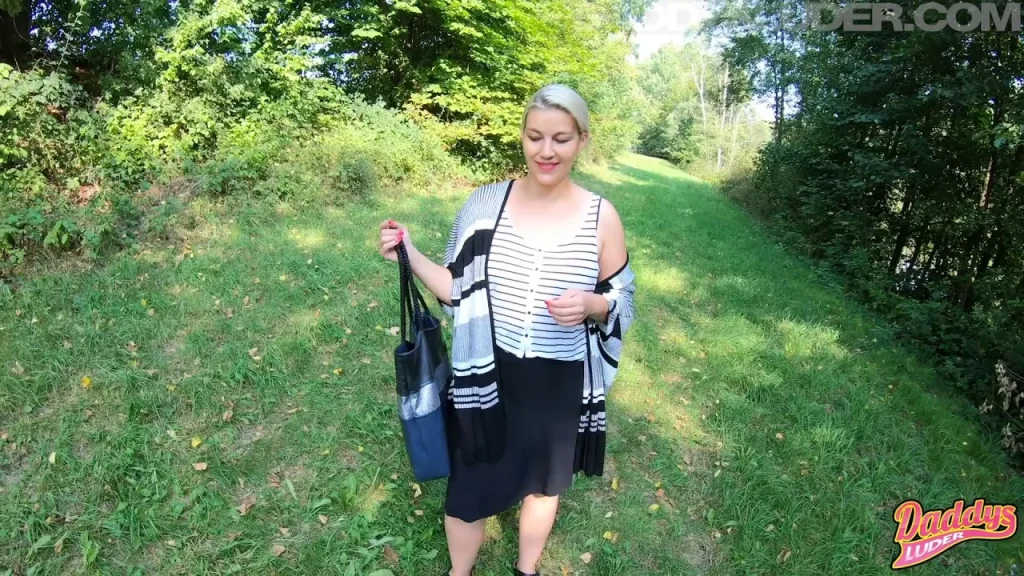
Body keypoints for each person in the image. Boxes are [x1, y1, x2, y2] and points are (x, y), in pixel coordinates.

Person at [377, 84, 636, 576]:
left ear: (582, 140)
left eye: (561, 138)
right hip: (486, 372)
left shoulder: (602, 218)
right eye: (535, 136)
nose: (546, 150)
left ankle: (526, 570)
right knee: (468, 490)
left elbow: (623, 298)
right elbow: (456, 289)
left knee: (542, 487)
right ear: (522, 136)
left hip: (557, 381)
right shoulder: (484, 204)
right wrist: (409, 253)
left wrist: (593, 304)